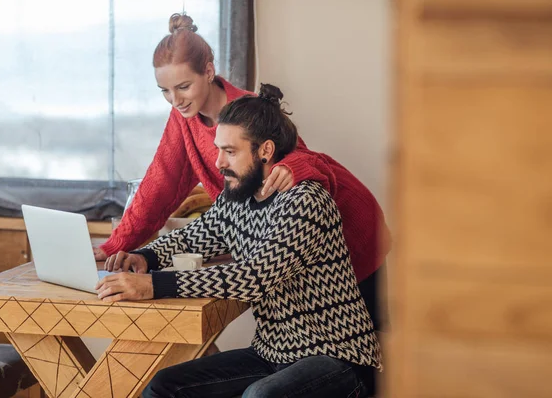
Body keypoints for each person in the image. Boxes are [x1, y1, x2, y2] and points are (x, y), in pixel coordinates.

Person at [95, 13, 390, 328]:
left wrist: (291, 164)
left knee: (363, 341)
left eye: (183, 86)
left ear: (208, 71)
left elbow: (307, 161)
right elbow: (159, 186)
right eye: (164, 91)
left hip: (347, 228)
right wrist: (117, 246)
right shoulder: (184, 120)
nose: (174, 100)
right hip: (286, 246)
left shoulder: (249, 110)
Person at [96, 84, 382, 398]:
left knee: (260, 397)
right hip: (272, 354)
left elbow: (254, 278)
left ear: (265, 151)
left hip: (337, 358)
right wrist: (146, 257)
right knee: (165, 386)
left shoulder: (304, 201)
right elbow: (196, 235)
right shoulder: (238, 198)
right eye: (219, 149)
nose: (218, 162)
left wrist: (154, 285)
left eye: (230, 152)